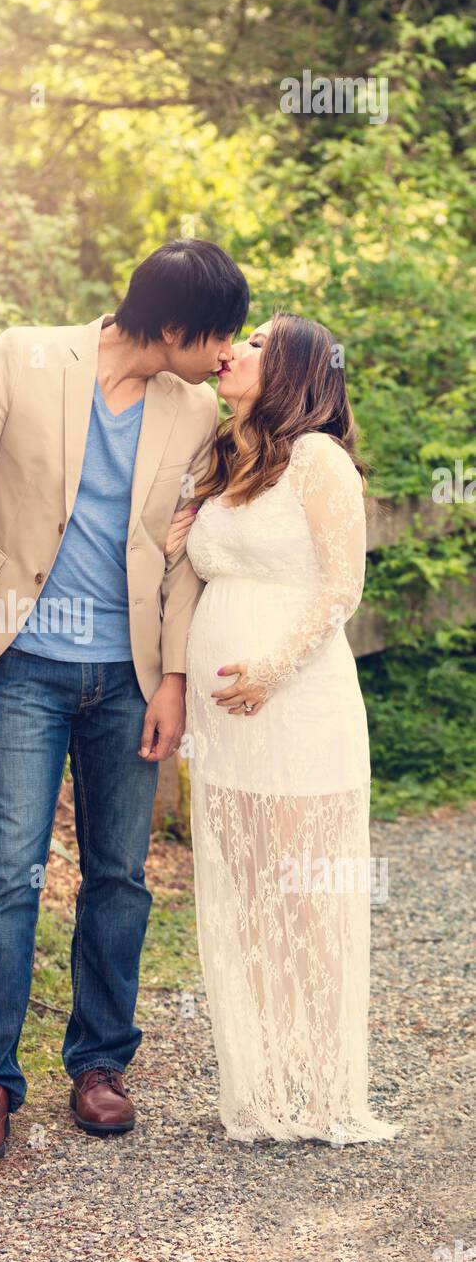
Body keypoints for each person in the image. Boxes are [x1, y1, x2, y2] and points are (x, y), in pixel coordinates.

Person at [0, 239, 249, 1161]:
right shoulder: (20, 359)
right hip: (22, 663)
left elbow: (188, 555)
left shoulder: (194, 413)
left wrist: (174, 679)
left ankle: (101, 1066)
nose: (226, 352)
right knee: (5, 873)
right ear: (173, 326)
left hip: (128, 677)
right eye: (216, 333)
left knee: (119, 878)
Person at [165, 313, 399, 1144]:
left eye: (259, 343)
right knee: (248, 892)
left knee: (304, 898)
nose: (235, 349)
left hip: (298, 706)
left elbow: (341, 589)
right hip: (225, 725)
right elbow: (201, 566)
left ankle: (325, 1091)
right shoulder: (231, 457)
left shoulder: (321, 460)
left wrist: (270, 670)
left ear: (297, 369)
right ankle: (263, 1089)